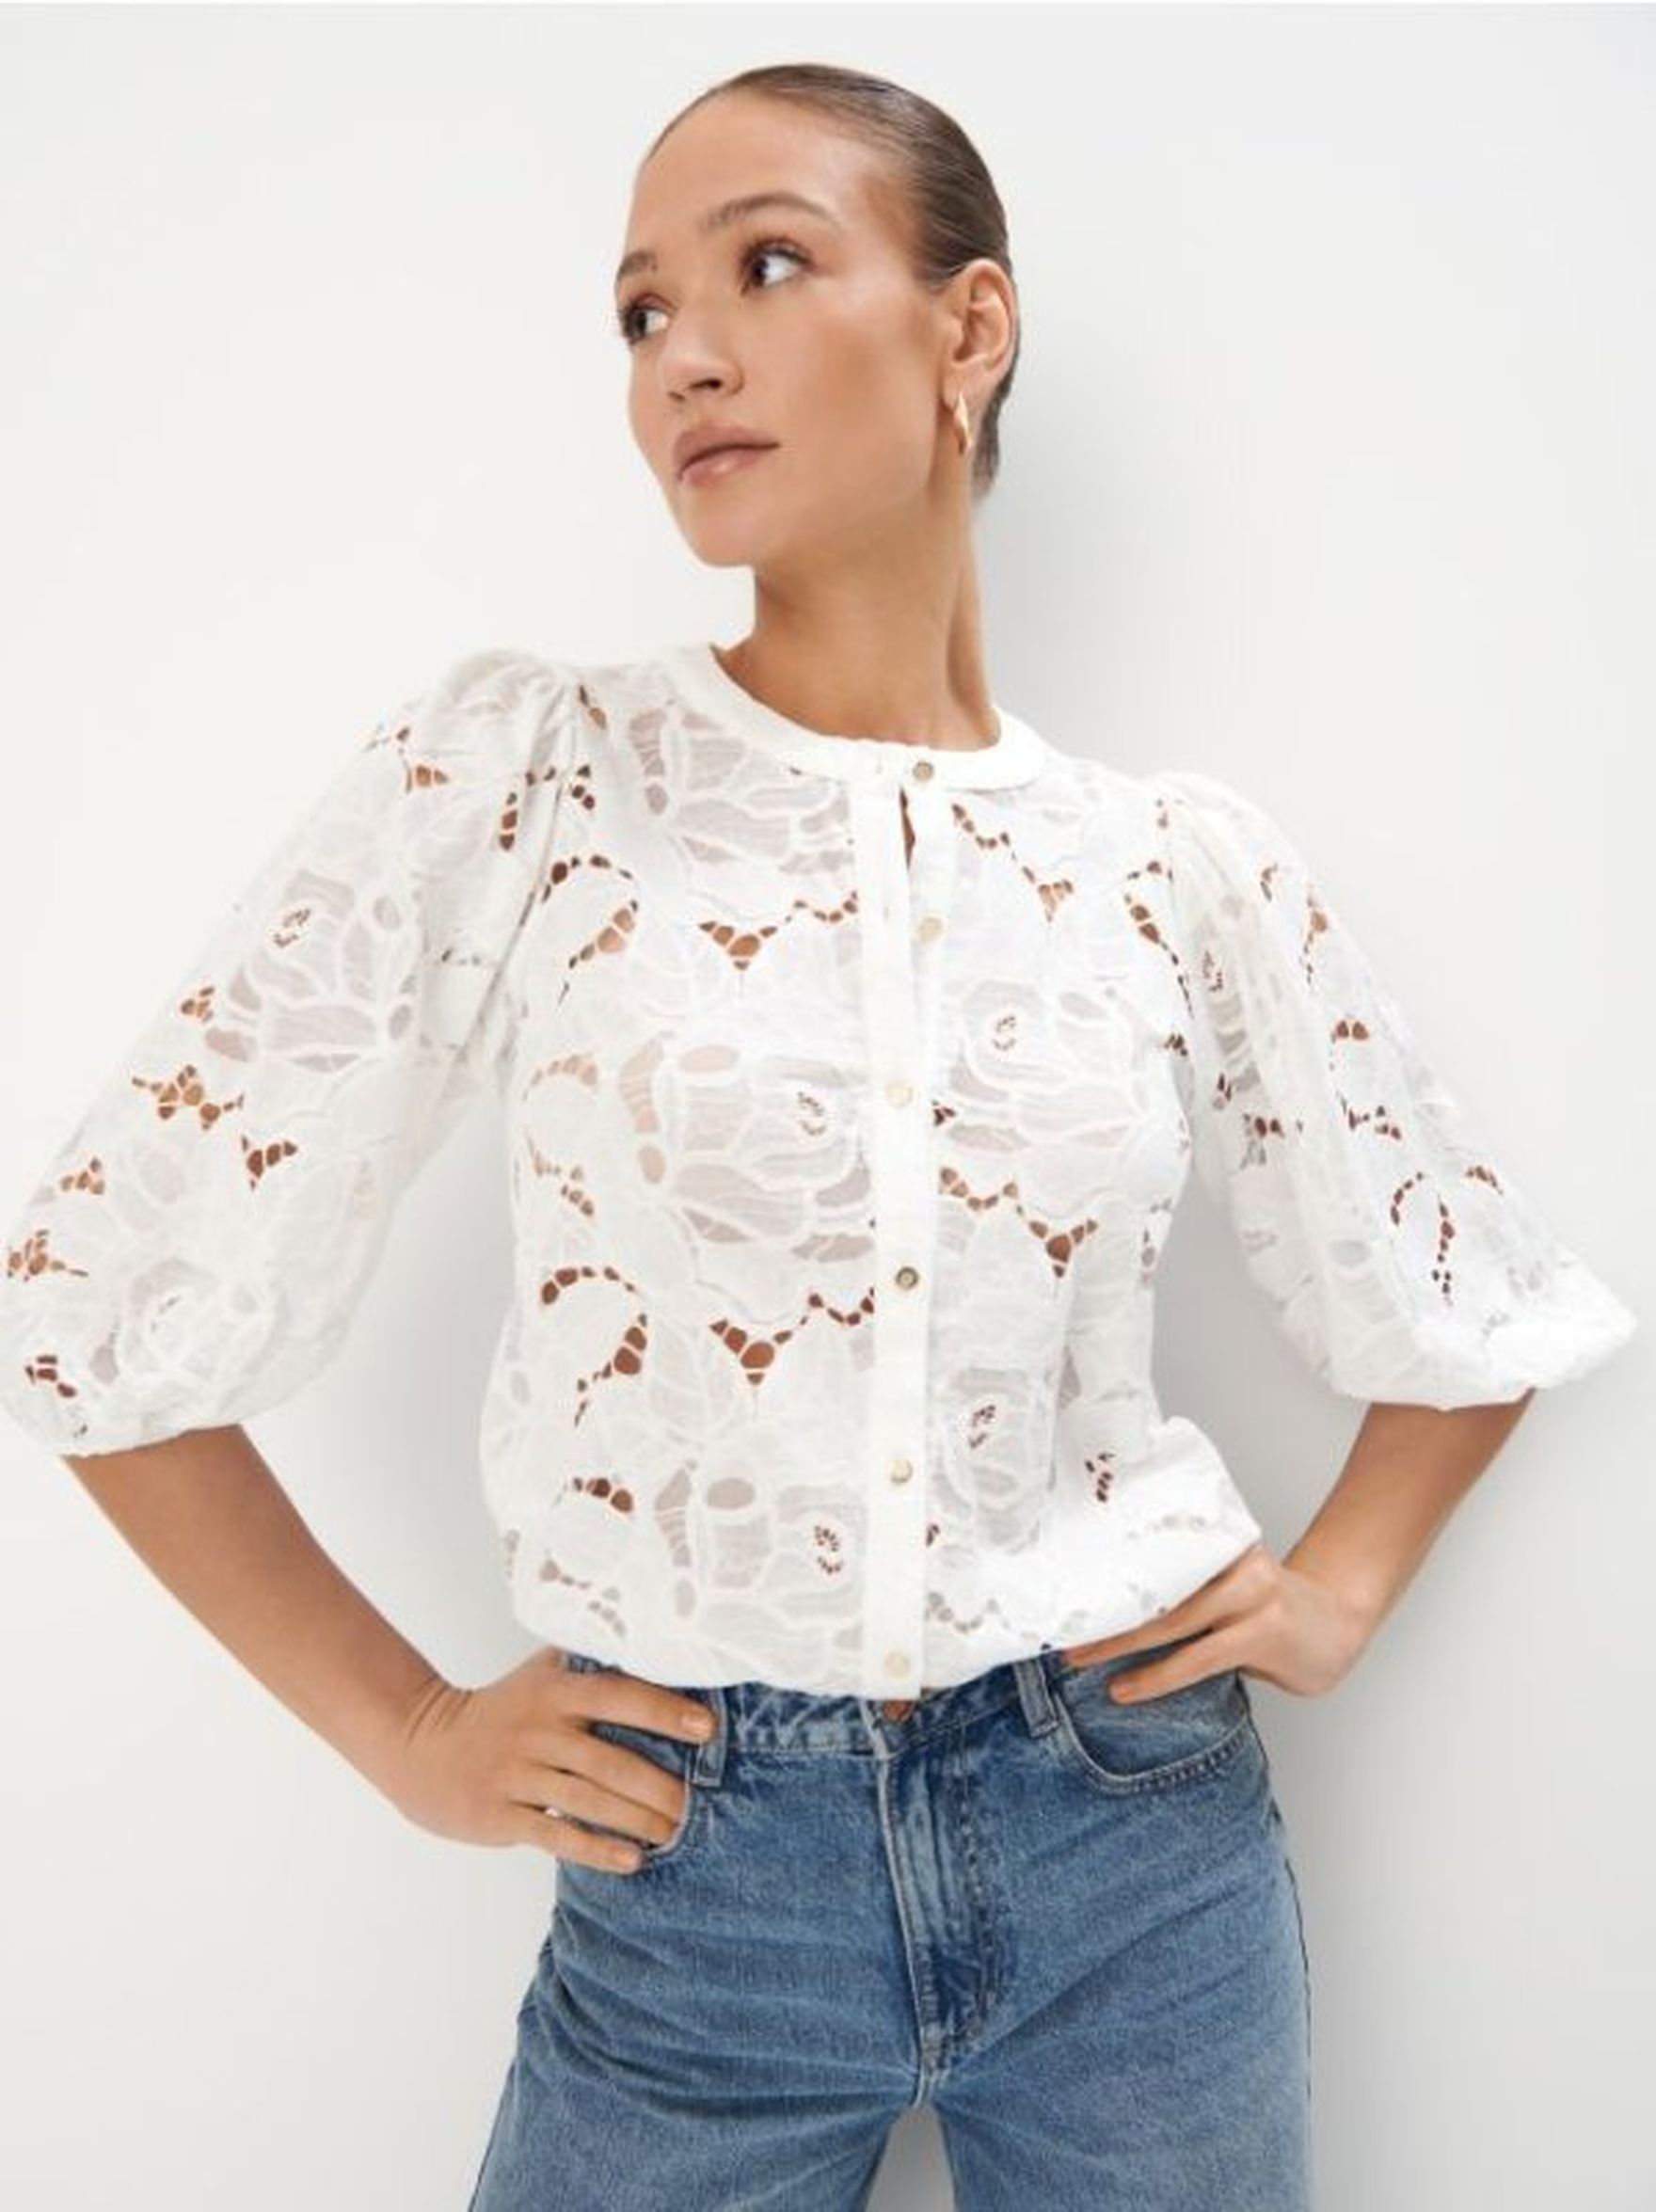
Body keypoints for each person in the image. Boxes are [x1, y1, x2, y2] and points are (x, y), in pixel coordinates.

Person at [0, 58, 1636, 2212]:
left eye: (765, 265)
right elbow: (98, 1303)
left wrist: (1339, 1588)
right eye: (639, 312)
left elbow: (1473, 1308)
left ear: (971, 328)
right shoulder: (538, 778)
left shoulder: (1163, 866)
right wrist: (408, 1733)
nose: (683, 354)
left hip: (1136, 1848)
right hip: (691, 1874)